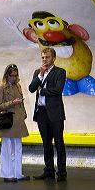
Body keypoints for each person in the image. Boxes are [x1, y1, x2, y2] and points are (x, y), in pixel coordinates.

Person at [29, 48, 67, 182]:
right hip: (42, 113)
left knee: (58, 143)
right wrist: (40, 75)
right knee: (46, 143)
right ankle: (49, 170)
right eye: (43, 57)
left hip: (55, 113)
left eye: (47, 57)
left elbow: (58, 90)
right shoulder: (37, 72)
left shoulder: (60, 72)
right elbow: (32, 88)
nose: (45, 60)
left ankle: (61, 172)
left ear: (54, 58)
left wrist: (43, 90)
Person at [0, 64, 30, 182]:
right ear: (7, 75)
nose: (14, 78)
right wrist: (11, 103)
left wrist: (24, 113)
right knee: (7, 148)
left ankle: (17, 173)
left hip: (18, 121)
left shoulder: (18, 86)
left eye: (15, 75)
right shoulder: (1, 88)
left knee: (18, 148)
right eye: (12, 76)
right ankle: (7, 174)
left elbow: (21, 102)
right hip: (7, 122)